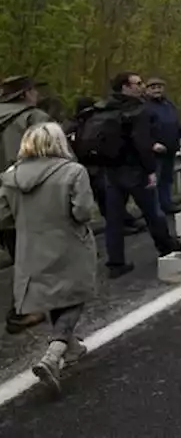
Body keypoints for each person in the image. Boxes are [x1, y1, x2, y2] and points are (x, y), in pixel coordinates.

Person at [0, 123, 97, 393]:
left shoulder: (11, 176)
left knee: (53, 295)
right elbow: (83, 212)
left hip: (31, 246)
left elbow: (3, 217)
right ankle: (53, 354)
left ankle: (73, 348)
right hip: (69, 242)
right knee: (75, 295)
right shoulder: (72, 171)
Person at [76, 72, 179, 278]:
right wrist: (150, 170)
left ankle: (115, 263)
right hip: (134, 170)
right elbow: (142, 143)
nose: (141, 86)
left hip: (110, 170)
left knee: (114, 219)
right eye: (137, 83)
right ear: (126, 87)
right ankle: (167, 248)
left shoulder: (102, 108)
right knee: (153, 212)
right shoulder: (137, 110)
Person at [0, 75, 52, 332]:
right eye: (33, 90)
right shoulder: (33, 118)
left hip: (2, 199)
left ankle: (25, 306)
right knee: (32, 253)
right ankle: (23, 310)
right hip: (25, 193)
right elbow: (51, 158)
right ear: (26, 94)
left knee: (16, 249)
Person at [143, 78, 181, 215]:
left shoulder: (168, 104)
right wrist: (152, 144)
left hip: (170, 147)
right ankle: (154, 209)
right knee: (154, 181)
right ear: (147, 90)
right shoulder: (144, 107)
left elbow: (176, 122)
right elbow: (142, 130)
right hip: (154, 151)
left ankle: (167, 204)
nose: (157, 90)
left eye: (159, 87)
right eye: (153, 87)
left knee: (167, 178)